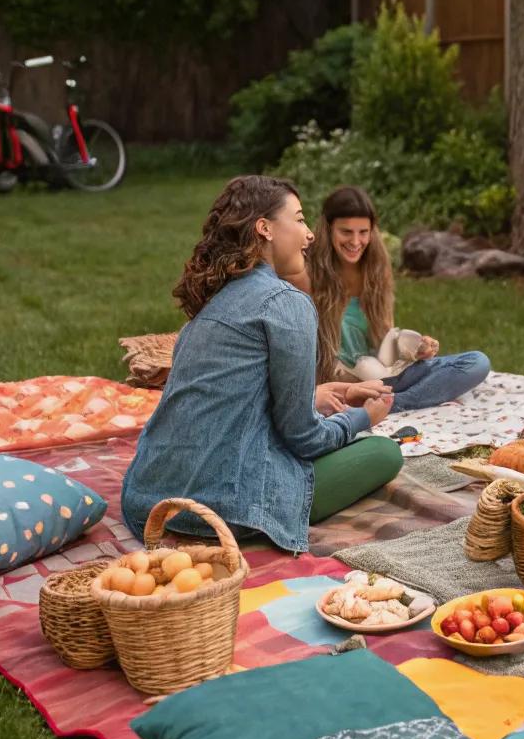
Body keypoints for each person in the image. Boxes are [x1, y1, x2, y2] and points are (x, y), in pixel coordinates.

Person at [122, 176, 403, 551]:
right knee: (384, 452)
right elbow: (303, 439)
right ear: (265, 228)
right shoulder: (285, 302)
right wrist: (361, 419)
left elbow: (231, 395)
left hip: (151, 498)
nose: (309, 235)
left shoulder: (216, 301)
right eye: (300, 219)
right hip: (221, 507)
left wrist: (313, 395)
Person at [298, 185, 491, 414]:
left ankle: (392, 404)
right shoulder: (308, 274)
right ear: (328, 230)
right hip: (342, 384)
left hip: (385, 376)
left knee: (477, 362)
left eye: (363, 232)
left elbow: (385, 340)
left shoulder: (376, 270)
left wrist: (415, 348)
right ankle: (393, 401)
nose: (356, 241)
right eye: (346, 232)